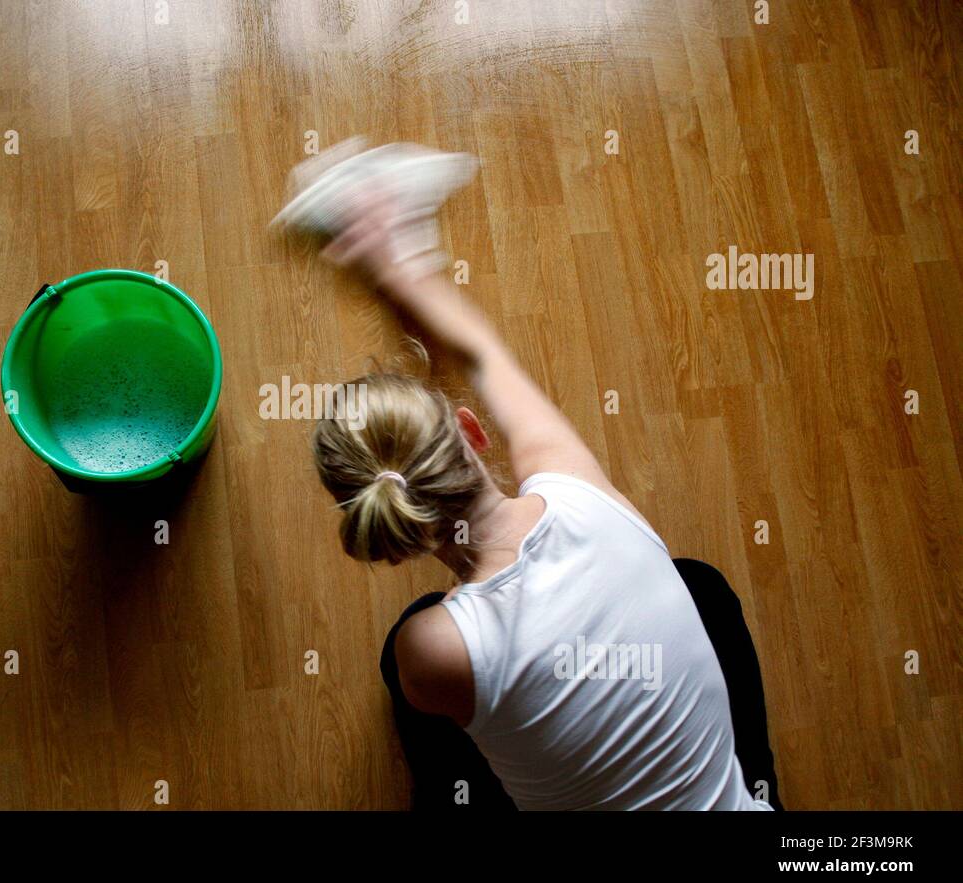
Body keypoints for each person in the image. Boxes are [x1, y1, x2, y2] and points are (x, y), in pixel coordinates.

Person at [309, 194, 783, 810]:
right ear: (472, 432)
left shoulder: (429, 650)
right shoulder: (578, 493)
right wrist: (397, 264)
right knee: (700, 586)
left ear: (391, 535)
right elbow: (484, 355)